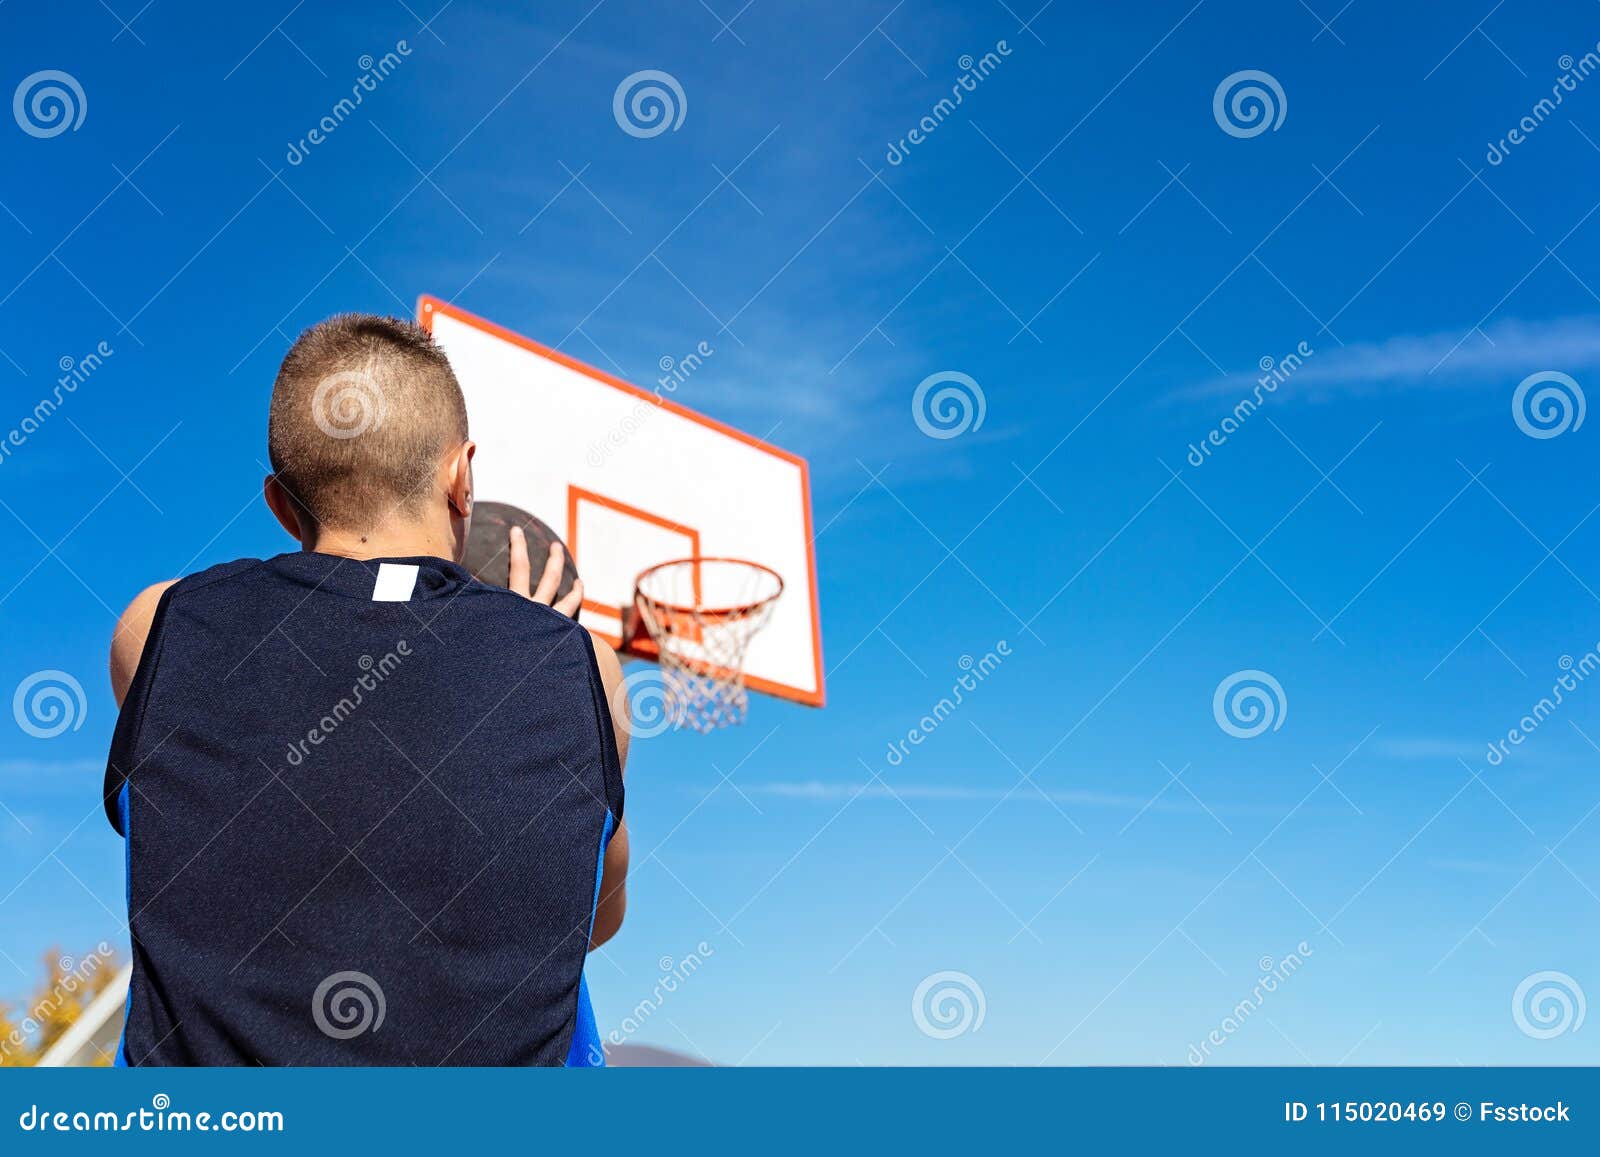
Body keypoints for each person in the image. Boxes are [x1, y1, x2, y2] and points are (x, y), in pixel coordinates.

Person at [103, 313, 629, 1066]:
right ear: (462, 476)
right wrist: (529, 654)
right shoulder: (585, 669)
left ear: (281, 505)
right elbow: (591, 916)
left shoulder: (155, 626)